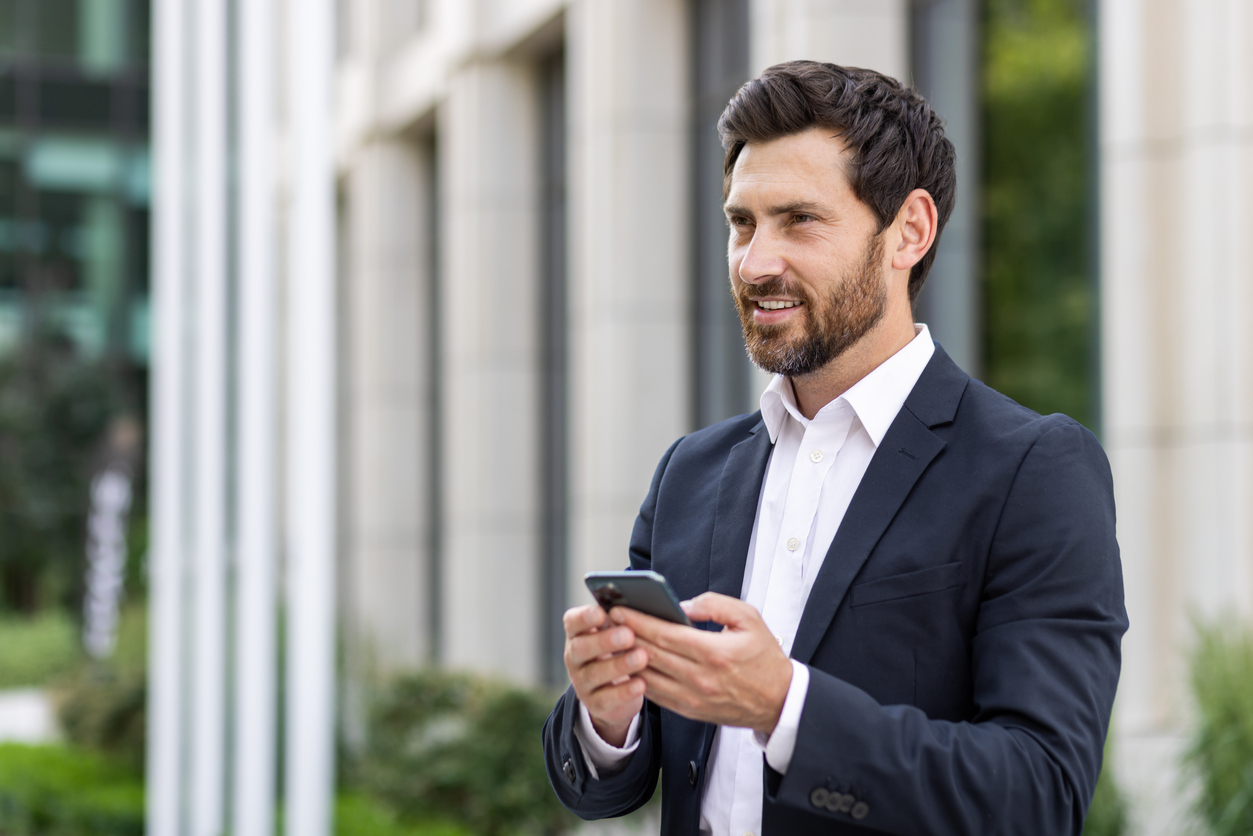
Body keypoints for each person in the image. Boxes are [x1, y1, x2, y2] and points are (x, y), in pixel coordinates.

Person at [542, 61, 1127, 836]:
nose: (754, 264)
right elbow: (607, 786)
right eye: (741, 223)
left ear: (908, 232)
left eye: (799, 221)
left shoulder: (1030, 471)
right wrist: (608, 720)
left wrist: (784, 706)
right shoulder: (691, 473)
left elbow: (1036, 794)